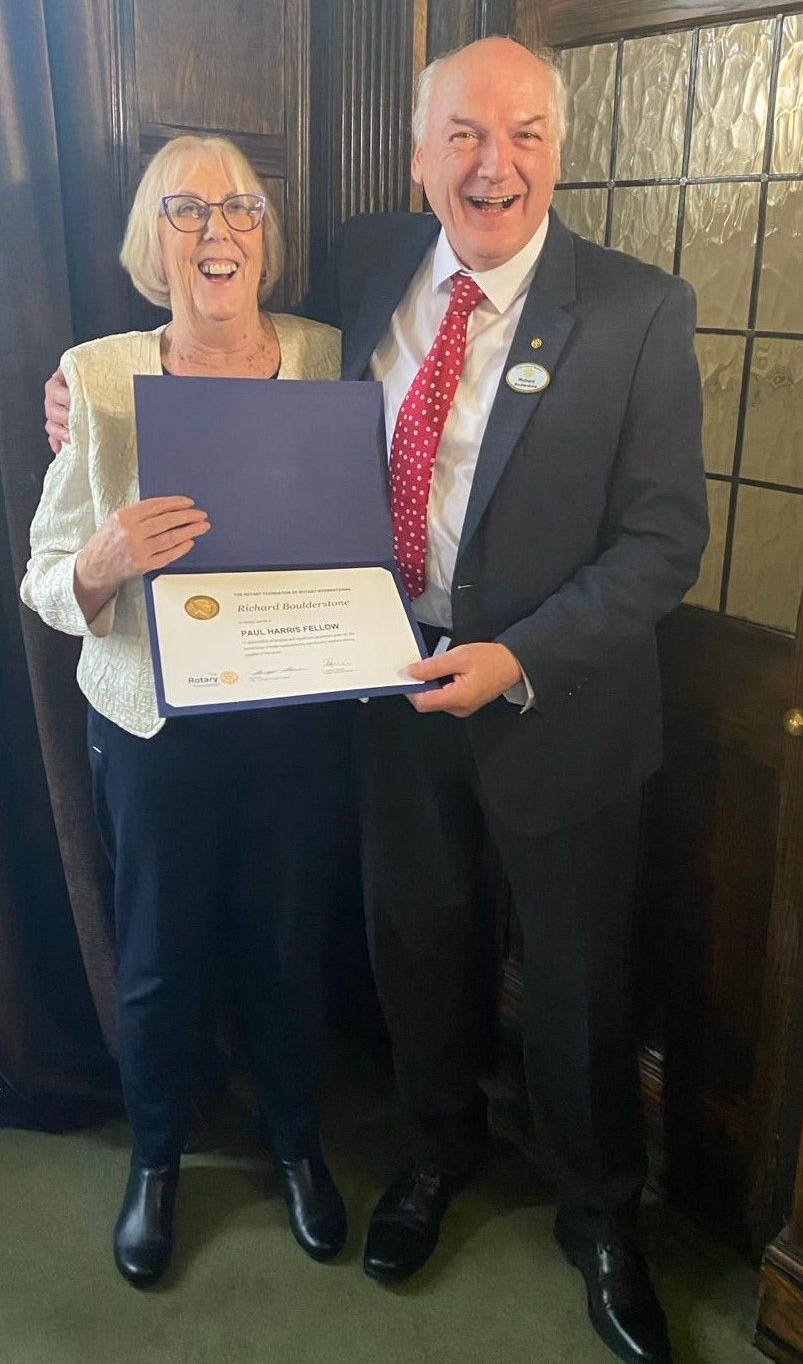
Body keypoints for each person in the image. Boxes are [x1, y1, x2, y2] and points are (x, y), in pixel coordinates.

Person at [44, 38, 706, 1362]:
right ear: (416, 155)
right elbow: (215, 348)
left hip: (555, 697)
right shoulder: (367, 268)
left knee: (577, 979)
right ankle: (434, 1155)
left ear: (557, 150)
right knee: (419, 945)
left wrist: (517, 655)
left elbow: (663, 543)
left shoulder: (639, 309)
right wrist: (86, 388)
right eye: (463, 133)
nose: (493, 164)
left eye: (523, 134)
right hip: (387, 684)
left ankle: (601, 1222)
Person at [26, 134, 352, 1288]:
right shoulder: (96, 375)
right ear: (150, 242)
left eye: (241, 207)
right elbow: (42, 574)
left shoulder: (328, 354)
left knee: (289, 941)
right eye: (186, 209)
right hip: (152, 723)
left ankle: (297, 1142)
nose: (218, 230)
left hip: (295, 713)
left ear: (268, 233)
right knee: (158, 955)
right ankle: (155, 1159)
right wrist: (101, 561)